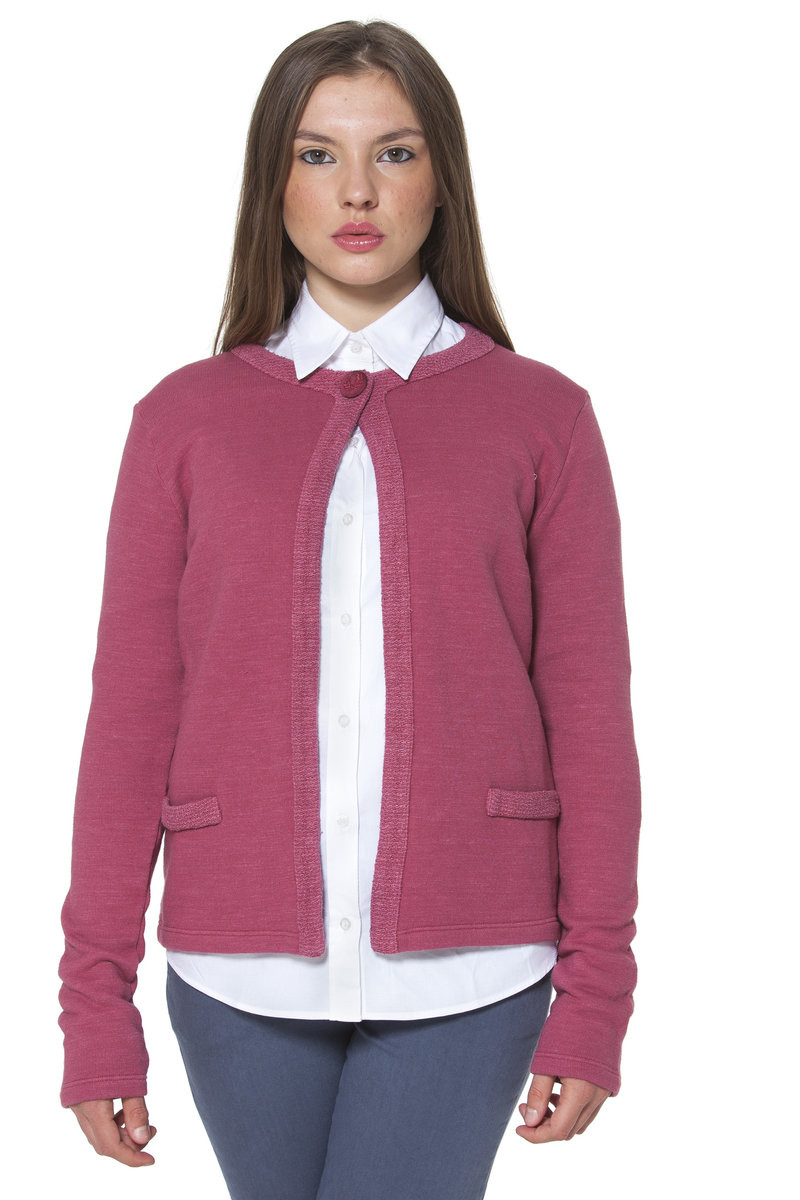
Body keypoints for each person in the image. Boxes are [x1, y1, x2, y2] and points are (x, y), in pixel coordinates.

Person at [58, 18, 641, 1200]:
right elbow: (130, 719)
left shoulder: (542, 417)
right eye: (317, 154)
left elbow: (587, 718)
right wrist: (93, 1006)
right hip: (236, 977)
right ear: (270, 182)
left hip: (475, 967)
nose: (357, 191)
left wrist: (597, 995)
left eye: (395, 152)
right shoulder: (183, 420)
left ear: (442, 179)